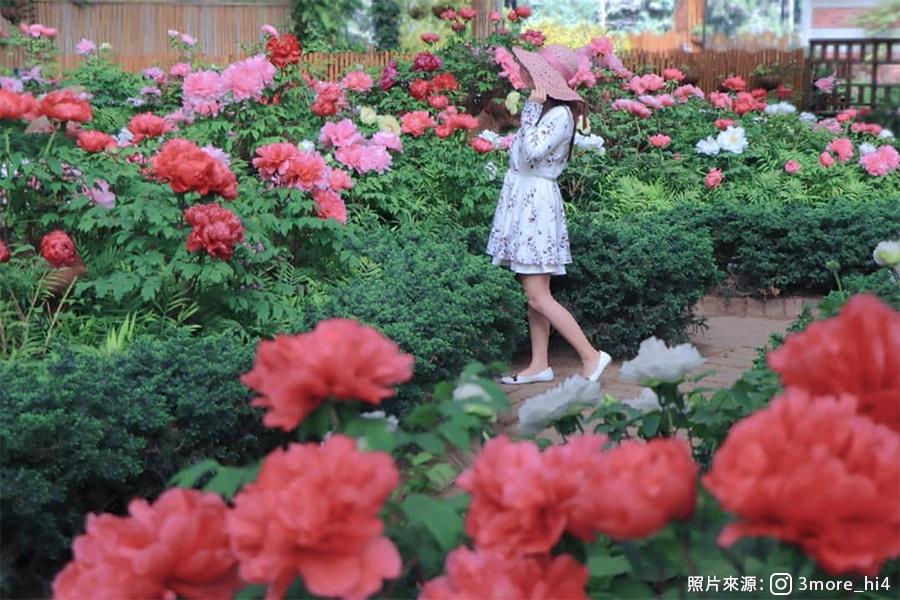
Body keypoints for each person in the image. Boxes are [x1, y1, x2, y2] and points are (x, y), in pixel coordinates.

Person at [486, 44, 611, 385]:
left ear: (546, 79)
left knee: (538, 295)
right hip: (526, 200)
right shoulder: (546, 112)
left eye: (532, 70)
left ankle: (591, 356)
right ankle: (539, 364)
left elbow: (532, 151)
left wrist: (529, 111)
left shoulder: (556, 115)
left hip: (535, 206)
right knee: (535, 292)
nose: (524, 73)